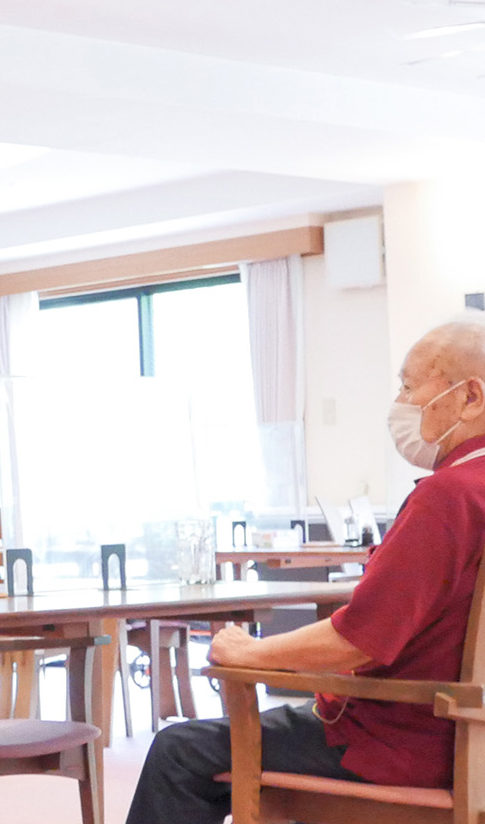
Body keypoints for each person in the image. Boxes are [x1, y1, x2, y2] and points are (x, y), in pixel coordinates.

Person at [125, 317, 485, 823]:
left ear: (470, 397)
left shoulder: (450, 495)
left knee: (178, 750)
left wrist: (251, 651)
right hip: (464, 729)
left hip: (406, 743)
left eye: (409, 385)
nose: (401, 403)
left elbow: (360, 640)